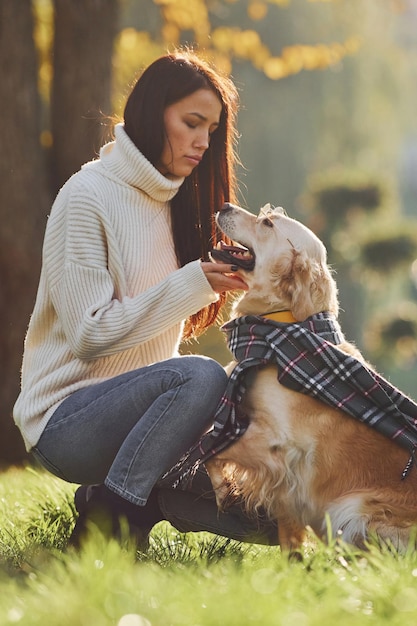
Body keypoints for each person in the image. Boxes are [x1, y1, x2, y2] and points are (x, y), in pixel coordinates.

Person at [13, 49, 278, 548]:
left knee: (269, 512)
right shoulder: (87, 195)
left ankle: (127, 499)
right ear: (153, 113)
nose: (203, 141)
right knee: (199, 374)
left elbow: (154, 355)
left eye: (212, 130)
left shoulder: (179, 203)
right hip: (67, 423)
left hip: (142, 424)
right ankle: (110, 522)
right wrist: (194, 282)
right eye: (192, 123)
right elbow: (90, 336)